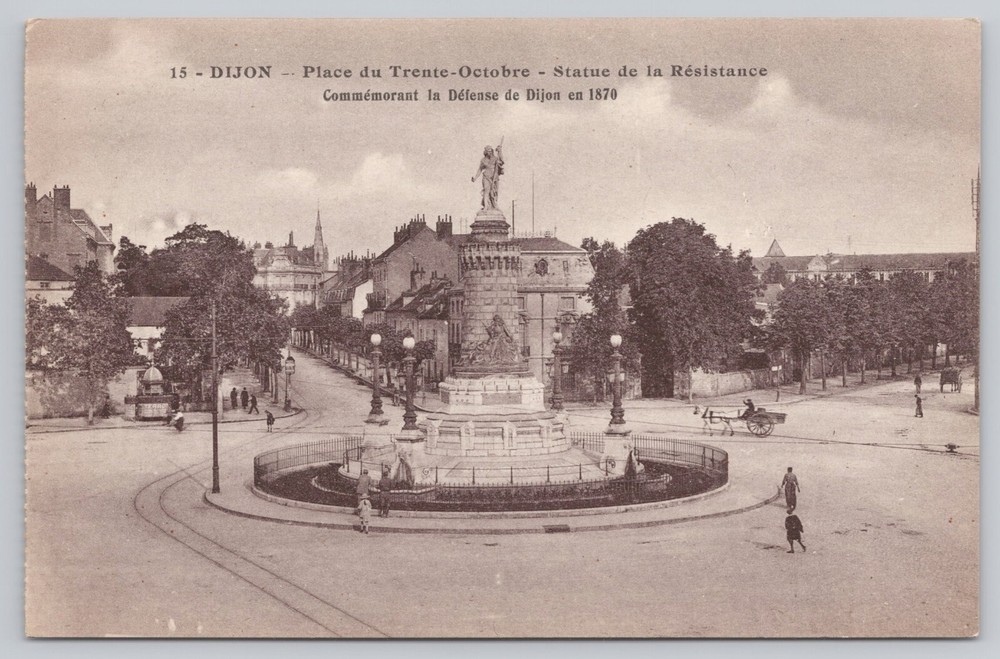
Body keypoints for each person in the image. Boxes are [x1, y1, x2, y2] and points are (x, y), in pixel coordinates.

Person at [471, 143, 504, 210]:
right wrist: (475, 178)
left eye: (491, 151)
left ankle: (494, 205)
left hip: (494, 178)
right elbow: (480, 169)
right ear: (486, 152)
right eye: (488, 151)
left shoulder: (495, 159)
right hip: (486, 177)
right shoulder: (483, 160)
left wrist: (500, 151)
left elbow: (502, 161)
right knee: (486, 191)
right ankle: (486, 206)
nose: (490, 152)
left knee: (494, 192)